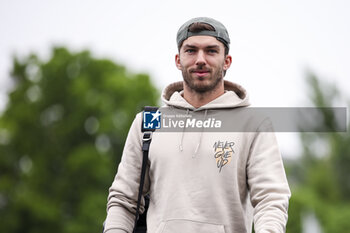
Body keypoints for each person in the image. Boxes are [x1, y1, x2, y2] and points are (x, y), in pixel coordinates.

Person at [103, 17, 291, 233]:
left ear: (227, 61)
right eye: (191, 50)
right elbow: (123, 200)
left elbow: (271, 200)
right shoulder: (149, 122)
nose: (200, 59)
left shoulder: (253, 124)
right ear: (178, 59)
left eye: (211, 51)